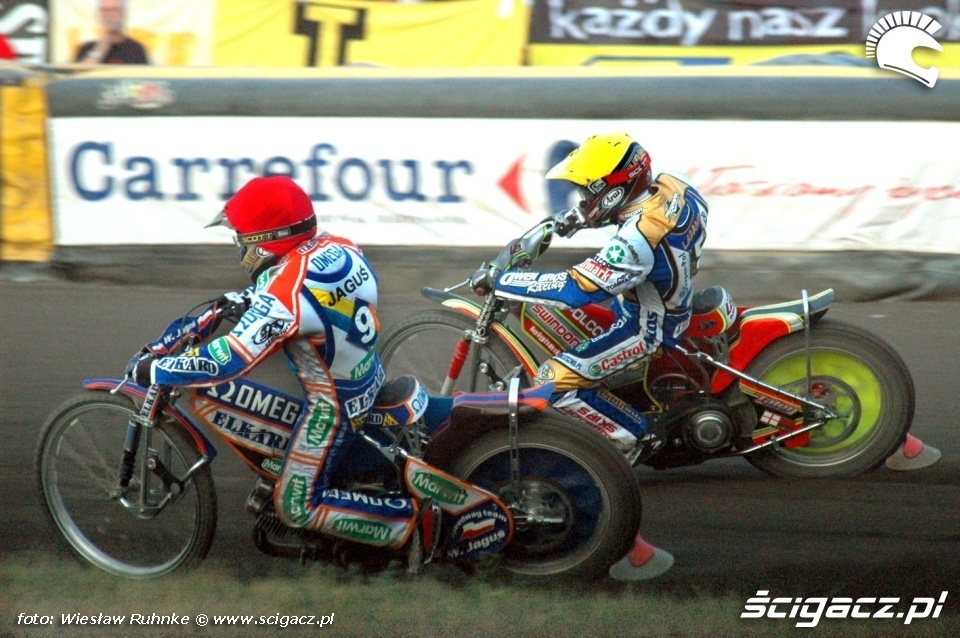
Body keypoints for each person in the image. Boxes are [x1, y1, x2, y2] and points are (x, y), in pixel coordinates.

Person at [128, 175, 437, 571]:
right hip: (368, 376)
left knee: (294, 505)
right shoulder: (339, 245)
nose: (239, 246)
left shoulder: (283, 297)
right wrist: (243, 303)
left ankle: (411, 526)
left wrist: (158, 368)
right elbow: (298, 291)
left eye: (241, 238)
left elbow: (229, 360)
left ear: (264, 242)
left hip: (333, 408)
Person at [474, 132, 709, 463]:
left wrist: (502, 282)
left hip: (646, 330)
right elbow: (631, 208)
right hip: (655, 299)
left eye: (588, 190)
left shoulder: (637, 241)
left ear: (613, 190)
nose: (584, 198)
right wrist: (579, 217)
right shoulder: (675, 183)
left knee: (551, 380)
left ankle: (638, 437)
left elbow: (574, 289)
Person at [75, 0, 148, 65]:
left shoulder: (136, 49)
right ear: (99, 15)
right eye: (105, 10)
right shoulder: (87, 48)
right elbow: (80, 73)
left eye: (115, 10)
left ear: (123, 15)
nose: (110, 15)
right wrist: (101, 48)